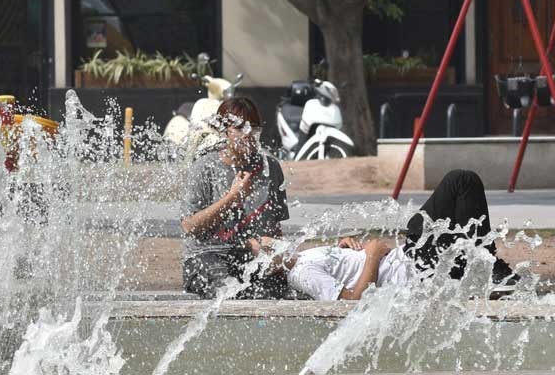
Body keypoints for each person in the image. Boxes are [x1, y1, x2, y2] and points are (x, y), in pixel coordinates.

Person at [284, 169, 516, 301]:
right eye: (260, 245)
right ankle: (488, 268)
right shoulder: (301, 273)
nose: (267, 240)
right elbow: (350, 303)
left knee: (458, 194)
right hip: (416, 271)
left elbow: (341, 274)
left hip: (412, 260)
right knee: (461, 182)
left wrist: (342, 249)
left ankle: (486, 267)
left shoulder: (302, 257)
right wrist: (373, 257)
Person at [180, 97, 290, 299]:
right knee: (229, 292)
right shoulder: (205, 167)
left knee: (280, 292)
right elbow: (189, 226)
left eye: (254, 128)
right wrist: (232, 197)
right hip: (207, 256)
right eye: (239, 128)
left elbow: (275, 229)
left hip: (251, 256)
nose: (248, 135)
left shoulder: (270, 168)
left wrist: (279, 256)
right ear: (224, 131)